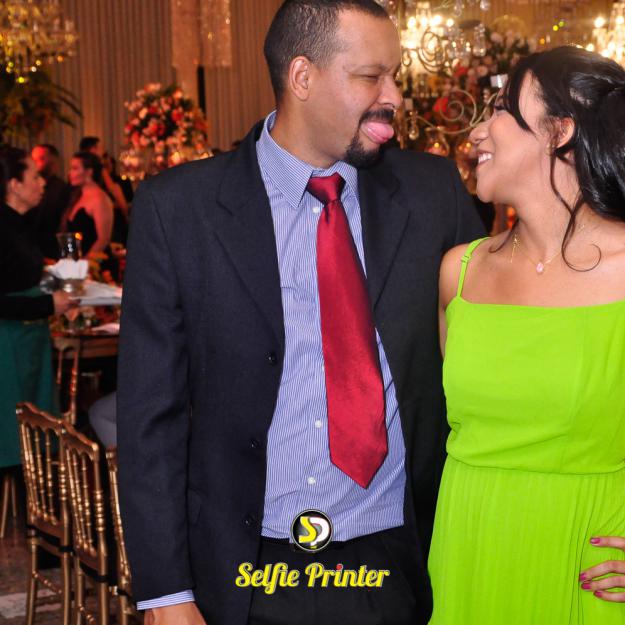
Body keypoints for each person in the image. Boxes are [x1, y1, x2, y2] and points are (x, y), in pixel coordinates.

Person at [117, 2, 483, 625]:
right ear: (302, 77)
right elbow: (151, 417)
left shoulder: (431, 193)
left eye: (395, 76)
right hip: (244, 573)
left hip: (396, 562)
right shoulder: (179, 210)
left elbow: (505, 353)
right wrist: (167, 593)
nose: (393, 96)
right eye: (371, 76)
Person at [429, 46, 625, 624]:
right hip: (469, 557)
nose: (476, 132)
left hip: (586, 567)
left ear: (559, 132)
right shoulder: (460, 272)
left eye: (500, 109)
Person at [0, 147, 74, 471]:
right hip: (8, 347)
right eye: (34, 176)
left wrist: (57, 288)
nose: (43, 183)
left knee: (33, 442)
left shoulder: (21, 224)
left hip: (28, 342)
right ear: (14, 185)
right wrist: (48, 303)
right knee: (12, 441)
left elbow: (21, 276)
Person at [63, 151, 114, 258]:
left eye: (75, 168)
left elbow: (103, 239)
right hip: (78, 260)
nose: (70, 173)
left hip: (96, 263)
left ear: (89, 172)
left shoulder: (100, 198)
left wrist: (85, 262)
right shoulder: (77, 196)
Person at [27, 144, 72, 259]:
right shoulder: (28, 187)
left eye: (41, 158)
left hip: (52, 249)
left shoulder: (60, 188)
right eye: (33, 159)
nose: (35, 163)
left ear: (53, 161)